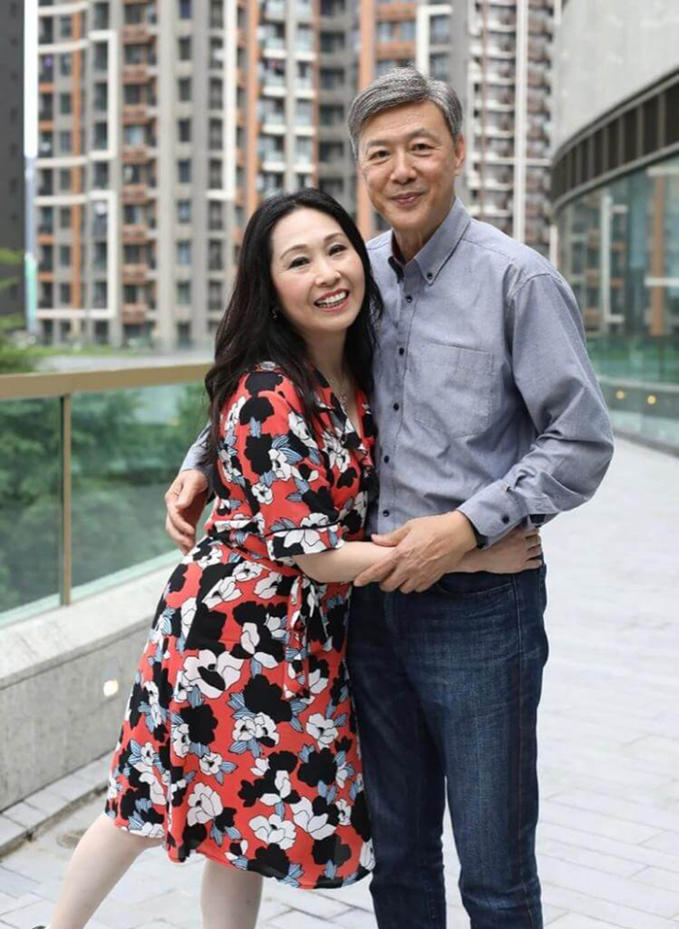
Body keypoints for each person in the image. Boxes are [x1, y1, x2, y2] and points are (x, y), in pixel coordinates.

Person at [167, 71, 614, 929]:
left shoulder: (517, 281)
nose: (401, 169)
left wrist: (468, 526)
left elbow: (580, 439)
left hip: (481, 610)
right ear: (362, 168)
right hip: (364, 610)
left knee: (494, 872)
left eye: (420, 147)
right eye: (380, 154)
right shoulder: (352, 274)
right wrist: (202, 459)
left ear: (457, 152)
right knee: (400, 861)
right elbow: (276, 372)